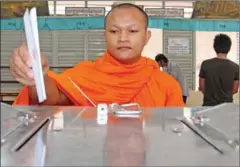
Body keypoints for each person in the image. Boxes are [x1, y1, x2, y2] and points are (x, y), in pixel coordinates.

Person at [10, 3, 184, 107]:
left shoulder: (166, 85)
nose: (123, 38)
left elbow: (173, 136)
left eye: (132, 31)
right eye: (114, 31)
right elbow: (52, 98)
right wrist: (36, 76)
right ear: (105, 36)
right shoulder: (86, 74)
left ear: (146, 37)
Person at [199, 33, 239, 106]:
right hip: (227, 106)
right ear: (229, 48)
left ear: (214, 47)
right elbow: (235, 89)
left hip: (208, 105)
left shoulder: (205, 64)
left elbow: (202, 87)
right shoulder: (235, 67)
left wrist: (210, 95)